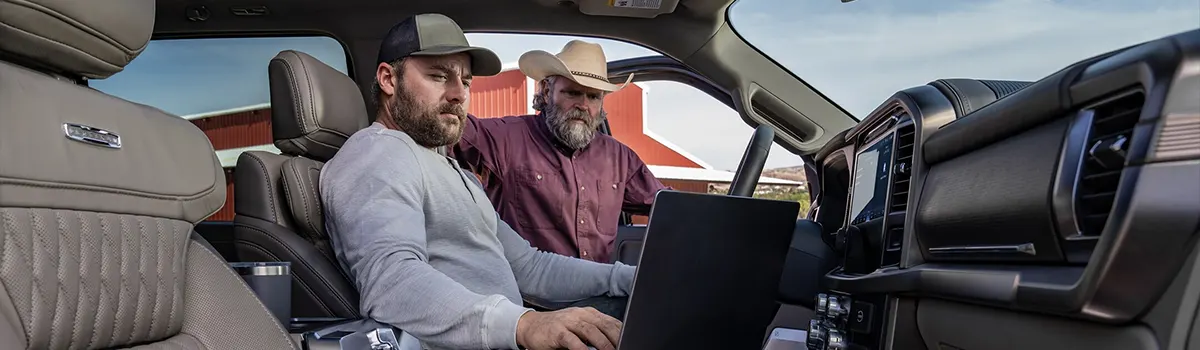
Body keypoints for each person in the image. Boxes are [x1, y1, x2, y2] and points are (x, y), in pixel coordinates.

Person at [321, 14, 636, 350]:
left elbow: (531, 268)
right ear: (388, 79)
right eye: (439, 76)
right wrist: (524, 325)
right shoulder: (378, 153)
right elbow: (392, 283)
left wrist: (628, 278)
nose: (459, 94)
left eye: (466, 82)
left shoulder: (450, 170)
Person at [450, 39, 670, 264]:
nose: (583, 105)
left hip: (598, 294)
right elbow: (449, 129)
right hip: (526, 296)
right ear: (546, 91)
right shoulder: (506, 138)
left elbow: (670, 208)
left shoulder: (619, 158)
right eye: (573, 93)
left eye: (593, 97)